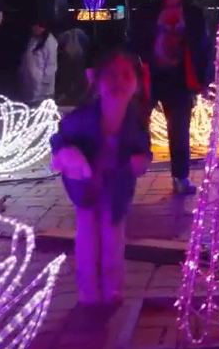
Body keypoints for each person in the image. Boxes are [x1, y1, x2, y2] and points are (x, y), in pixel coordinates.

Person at [50, 49, 151, 304]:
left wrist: (139, 161)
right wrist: (68, 156)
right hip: (85, 186)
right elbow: (60, 139)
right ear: (95, 81)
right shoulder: (82, 118)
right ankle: (88, 287)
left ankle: (112, 285)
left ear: (136, 84)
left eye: (125, 75)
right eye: (110, 75)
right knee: (86, 234)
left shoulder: (135, 121)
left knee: (113, 233)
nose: (118, 81)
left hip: (116, 187)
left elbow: (142, 149)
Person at [126, 0, 214, 195]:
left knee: (179, 130)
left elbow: (204, 47)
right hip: (149, 76)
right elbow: (134, 42)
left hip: (180, 79)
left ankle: (180, 177)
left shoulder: (194, 13)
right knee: (136, 123)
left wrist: (204, 80)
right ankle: (130, 170)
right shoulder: (147, 11)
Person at [20, 22, 59, 104]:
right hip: (29, 84)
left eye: (37, 26)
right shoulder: (33, 40)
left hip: (42, 88)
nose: (34, 28)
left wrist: (45, 82)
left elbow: (51, 64)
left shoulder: (50, 42)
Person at [56, 25, 90, 101]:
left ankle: (67, 94)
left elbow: (59, 44)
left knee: (67, 77)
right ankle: (77, 95)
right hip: (79, 58)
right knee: (78, 77)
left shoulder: (65, 34)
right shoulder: (81, 33)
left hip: (67, 58)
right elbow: (87, 43)